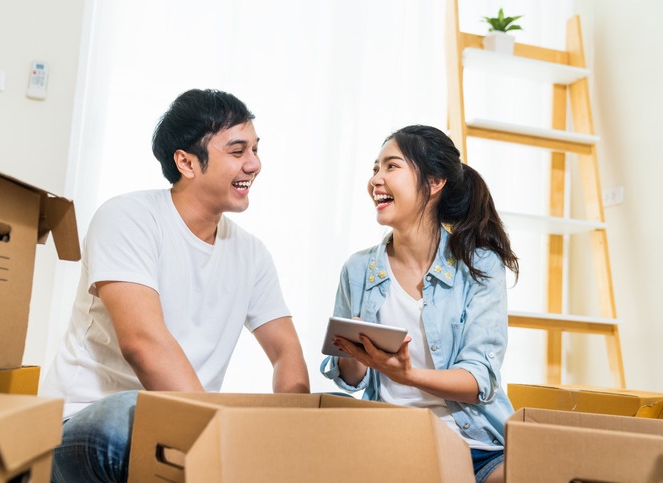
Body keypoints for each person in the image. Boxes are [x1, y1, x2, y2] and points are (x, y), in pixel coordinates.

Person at [41, 88, 310, 483]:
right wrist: (216, 437)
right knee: (131, 412)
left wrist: (289, 431)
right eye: (237, 152)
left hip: (179, 426)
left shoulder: (252, 254)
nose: (254, 164)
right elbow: (143, 342)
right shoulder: (128, 218)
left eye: (255, 149)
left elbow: (286, 353)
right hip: (86, 420)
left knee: (330, 409)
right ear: (185, 162)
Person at [321, 125, 519, 483]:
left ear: (435, 181)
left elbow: (479, 379)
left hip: (476, 445)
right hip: (393, 442)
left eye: (391, 166)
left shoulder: (480, 265)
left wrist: (406, 374)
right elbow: (352, 378)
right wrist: (352, 354)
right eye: (374, 169)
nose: (376, 180)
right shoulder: (358, 269)